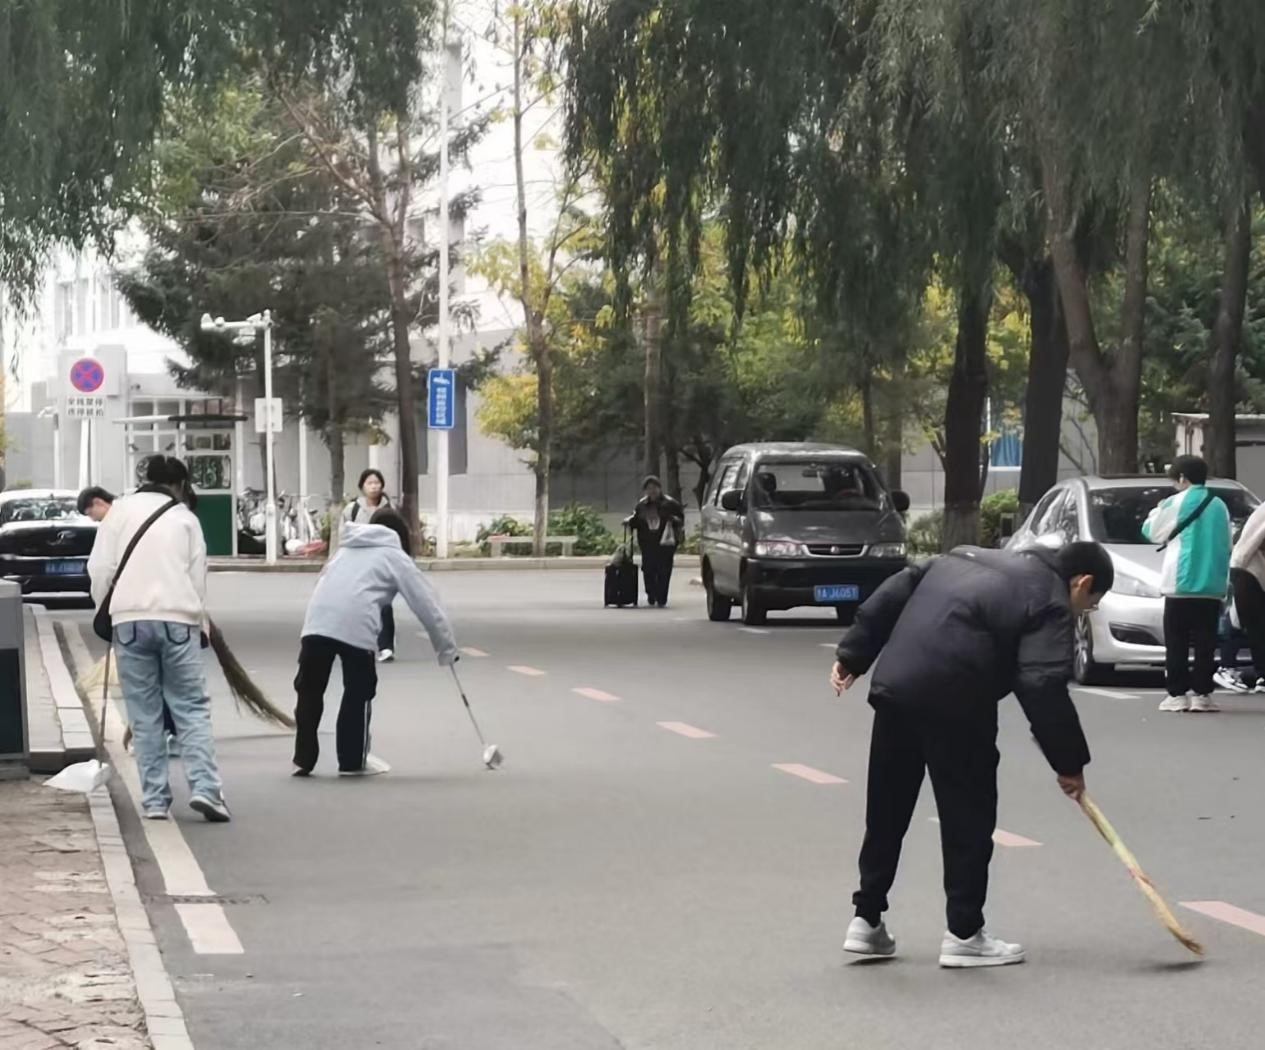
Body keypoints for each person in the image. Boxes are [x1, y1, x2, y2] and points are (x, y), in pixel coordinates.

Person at [832, 540, 1113, 968]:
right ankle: (964, 933)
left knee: (887, 810)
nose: (1082, 613)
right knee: (968, 817)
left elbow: (895, 591)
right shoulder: (1048, 599)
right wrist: (1068, 764)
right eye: (1090, 604)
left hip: (898, 689)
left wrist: (854, 654)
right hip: (959, 702)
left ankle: (866, 919)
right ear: (1082, 582)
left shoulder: (962, 557)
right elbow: (1041, 685)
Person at [87, 456, 229, 823]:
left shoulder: (117, 513)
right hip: (177, 619)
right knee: (190, 707)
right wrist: (197, 619)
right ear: (179, 485)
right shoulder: (185, 518)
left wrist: (107, 609)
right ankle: (206, 790)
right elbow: (197, 576)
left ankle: (154, 800)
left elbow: (100, 569)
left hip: (129, 621)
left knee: (144, 712)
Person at [293, 507, 459, 777]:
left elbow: (322, 582)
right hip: (356, 627)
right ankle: (351, 761)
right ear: (402, 535)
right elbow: (427, 604)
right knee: (358, 691)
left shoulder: (345, 549)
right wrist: (447, 649)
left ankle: (303, 758)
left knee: (309, 688)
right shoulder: (395, 556)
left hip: (317, 622)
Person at [1142, 456, 1232, 713]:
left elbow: (1151, 531)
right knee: (1206, 642)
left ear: (1182, 478)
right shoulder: (1219, 505)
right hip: (1212, 584)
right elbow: (1227, 542)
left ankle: (1177, 694)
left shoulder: (1176, 501)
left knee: (1177, 641)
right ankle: (1202, 694)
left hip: (1180, 583)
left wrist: (1156, 510)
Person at [344, 470, 396, 662]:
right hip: (357, 563)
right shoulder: (352, 509)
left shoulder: (389, 509)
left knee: (384, 605)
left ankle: (386, 646)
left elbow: (397, 534)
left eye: (377, 483)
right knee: (359, 605)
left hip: (382, 563)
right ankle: (361, 644)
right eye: (369, 483)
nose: (374, 486)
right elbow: (343, 537)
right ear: (362, 486)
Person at [1225, 498, 1265, 695]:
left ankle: (1262, 676)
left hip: (1248, 569)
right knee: (1249, 623)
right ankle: (1227, 667)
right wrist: (1237, 566)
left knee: (1253, 625)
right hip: (1248, 571)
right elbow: (1250, 542)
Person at [628, 476, 684, 608]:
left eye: (654, 488)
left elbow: (680, 520)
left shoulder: (670, 504)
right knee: (648, 569)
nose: (652, 491)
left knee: (664, 570)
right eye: (648, 488)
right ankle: (651, 593)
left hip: (665, 544)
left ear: (659, 488)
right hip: (647, 543)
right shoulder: (641, 505)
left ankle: (662, 596)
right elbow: (636, 520)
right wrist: (631, 522)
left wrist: (672, 520)